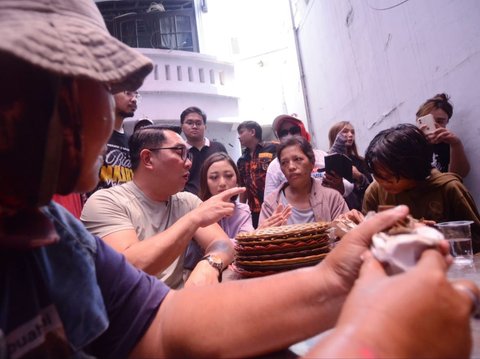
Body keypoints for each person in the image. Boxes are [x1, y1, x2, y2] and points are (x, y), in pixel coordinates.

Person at [1, 2, 478, 358]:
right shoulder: (96, 212)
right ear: (25, 99)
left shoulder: (49, 237)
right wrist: (376, 341)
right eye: (100, 87)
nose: (112, 109)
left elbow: (163, 323)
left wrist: (337, 280)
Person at [81, 125, 236, 288]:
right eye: (179, 152)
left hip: (178, 303)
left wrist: (209, 265)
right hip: (132, 310)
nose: (189, 163)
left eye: (187, 154)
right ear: (148, 159)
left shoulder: (187, 201)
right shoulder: (106, 202)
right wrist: (194, 219)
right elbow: (128, 269)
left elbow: (223, 244)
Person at [363, 123, 480, 252]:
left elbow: (475, 239)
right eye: (377, 176)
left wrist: (432, 234)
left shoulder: (448, 188)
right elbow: (365, 240)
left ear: (414, 168)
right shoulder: (375, 191)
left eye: (389, 177)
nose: (382, 183)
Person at [260, 136, 349, 225]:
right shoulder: (271, 205)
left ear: (312, 163)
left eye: (298, 159)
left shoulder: (332, 198)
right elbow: (261, 236)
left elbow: (347, 235)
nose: (291, 167)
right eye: (284, 162)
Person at [264, 114, 354, 201]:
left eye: (294, 130)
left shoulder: (322, 156)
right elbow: (270, 200)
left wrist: (340, 186)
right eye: (283, 133)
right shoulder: (274, 166)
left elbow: (349, 186)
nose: (289, 136)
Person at [199, 152, 255, 238]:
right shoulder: (199, 213)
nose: (222, 183)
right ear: (205, 182)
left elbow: (246, 246)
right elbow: (212, 246)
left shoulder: (243, 211)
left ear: (237, 180)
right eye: (214, 177)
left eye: (228, 176)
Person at [416, 93, 470, 177]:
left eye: (440, 121)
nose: (435, 125)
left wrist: (456, 144)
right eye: (429, 121)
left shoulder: (449, 143)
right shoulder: (409, 142)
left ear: (447, 121)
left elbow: (458, 176)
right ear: (418, 120)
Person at [237, 120, 278, 228]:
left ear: (252, 132)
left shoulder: (273, 149)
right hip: (253, 210)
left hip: (273, 206)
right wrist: (241, 207)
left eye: (241, 132)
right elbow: (243, 186)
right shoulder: (241, 160)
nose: (239, 136)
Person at [180, 106, 227, 195]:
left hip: (216, 198)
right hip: (188, 203)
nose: (194, 126)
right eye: (189, 123)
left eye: (198, 123)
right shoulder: (179, 151)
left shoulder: (218, 148)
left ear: (205, 126)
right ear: (182, 126)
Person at [328, 121, 373, 210]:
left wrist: (359, 176)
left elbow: (372, 188)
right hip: (337, 210)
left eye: (352, 132)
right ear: (335, 135)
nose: (350, 134)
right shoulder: (326, 159)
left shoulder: (361, 161)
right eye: (345, 131)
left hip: (360, 211)